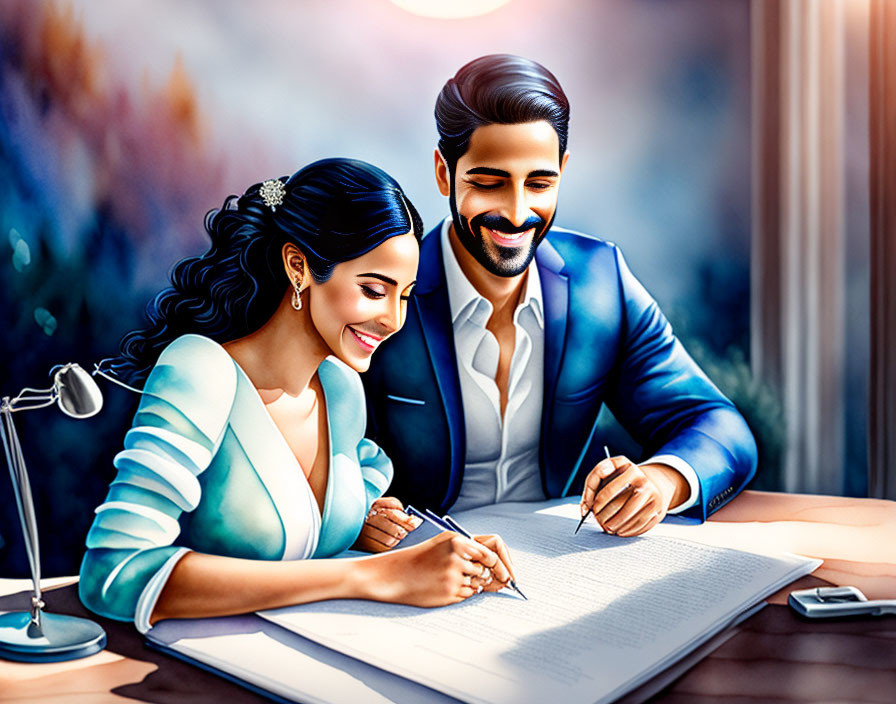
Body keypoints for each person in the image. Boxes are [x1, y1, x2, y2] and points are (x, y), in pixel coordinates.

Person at [79, 158, 515, 632]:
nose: (393, 320)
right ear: (298, 266)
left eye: (405, 296)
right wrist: (370, 576)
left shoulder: (340, 388)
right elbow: (113, 574)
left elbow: (351, 481)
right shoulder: (202, 371)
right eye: (373, 290)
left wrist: (365, 520)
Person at [362, 55, 757, 540]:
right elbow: (316, 445)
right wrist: (358, 510)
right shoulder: (382, 287)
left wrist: (662, 481)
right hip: (418, 574)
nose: (516, 212)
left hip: (561, 568)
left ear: (562, 171)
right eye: (489, 183)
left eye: (540, 183)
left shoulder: (600, 281)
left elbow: (720, 426)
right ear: (445, 173)